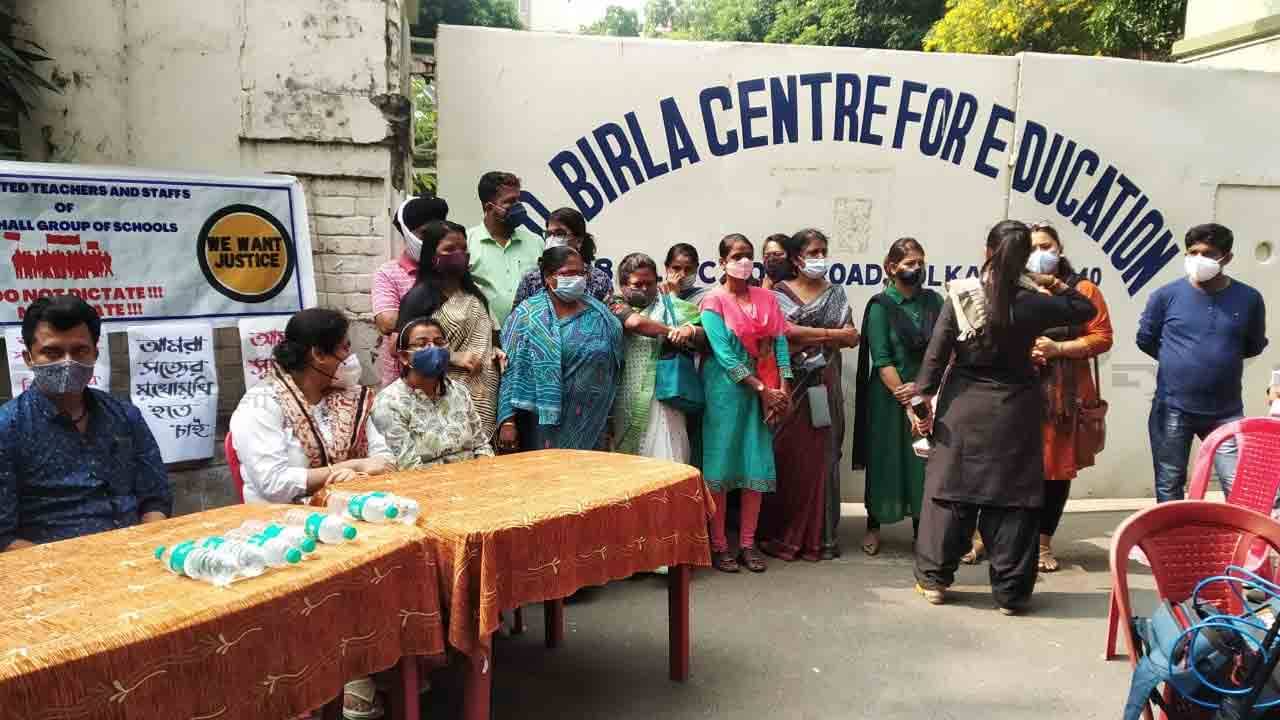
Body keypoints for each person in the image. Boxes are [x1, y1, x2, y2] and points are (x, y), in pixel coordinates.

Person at [911, 220, 1097, 615]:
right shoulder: (1032, 301)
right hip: (1016, 410)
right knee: (1013, 500)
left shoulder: (962, 296)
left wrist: (920, 401)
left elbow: (936, 355)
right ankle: (1011, 594)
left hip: (962, 409)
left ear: (987, 251)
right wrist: (1052, 282)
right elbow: (1086, 308)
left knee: (949, 492)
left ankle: (934, 581)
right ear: (1026, 257)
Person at [0, 296, 171, 551]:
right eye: (53, 352)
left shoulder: (125, 415)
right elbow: (4, 536)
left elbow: (155, 500)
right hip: (51, 571)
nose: (68, 362)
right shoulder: (7, 428)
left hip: (137, 554)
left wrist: (146, 546)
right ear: (29, 358)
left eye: (80, 350)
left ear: (95, 354)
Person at [1138, 223, 1267, 502]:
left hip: (1226, 412)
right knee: (1169, 483)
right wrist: (1180, 360)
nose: (1198, 259)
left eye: (1207, 253)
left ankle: (1235, 544)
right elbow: (1146, 340)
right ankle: (1171, 544)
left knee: (1236, 484)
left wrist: (1214, 359)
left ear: (1227, 258)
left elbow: (1253, 345)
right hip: (1172, 408)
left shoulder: (1249, 299)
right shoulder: (1165, 296)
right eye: (1192, 252)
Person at [759, 229, 860, 562]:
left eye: (824, 250)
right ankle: (784, 536)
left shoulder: (836, 292)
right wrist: (830, 334)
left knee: (823, 459)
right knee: (790, 460)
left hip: (825, 385)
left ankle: (820, 538)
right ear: (796, 258)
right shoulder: (778, 294)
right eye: (813, 251)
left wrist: (810, 336)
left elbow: (852, 337)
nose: (820, 257)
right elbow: (783, 335)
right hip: (791, 385)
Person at [230, 308, 395, 505]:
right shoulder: (260, 404)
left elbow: (384, 459)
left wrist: (356, 478)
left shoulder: (351, 398)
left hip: (353, 508)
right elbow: (273, 484)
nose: (350, 357)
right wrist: (352, 467)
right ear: (319, 354)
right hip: (282, 522)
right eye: (344, 348)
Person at [700, 234, 792, 574]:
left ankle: (749, 544)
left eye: (748, 255)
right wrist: (761, 389)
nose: (744, 261)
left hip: (765, 391)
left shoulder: (767, 298)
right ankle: (720, 545)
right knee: (721, 468)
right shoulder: (714, 302)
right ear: (722, 261)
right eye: (737, 255)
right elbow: (724, 355)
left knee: (756, 465)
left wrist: (783, 387)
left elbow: (780, 341)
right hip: (725, 393)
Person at [1026, 223, 1114, 572]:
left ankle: (1042, 544)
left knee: (1055, 472)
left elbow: (1102, 337)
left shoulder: (1083, 289)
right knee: (1009, 468)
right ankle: (989, 538)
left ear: (1059, 248)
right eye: (1032, 247)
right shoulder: (1015, 287)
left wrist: (1059, 348)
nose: (1039, 253)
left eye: (1046, 245)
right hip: (1019, 391)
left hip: (1065, 397)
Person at [852, 237, 943, 556]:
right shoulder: (881, 306)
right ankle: (874, 525)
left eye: (920, 262)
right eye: (909, 263)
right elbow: (882, 358)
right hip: (889, 399)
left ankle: (922, 529)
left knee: (922, 460)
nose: (916, 269)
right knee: (885, 459)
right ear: (891, 268)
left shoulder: (934, 302)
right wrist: (907, 398)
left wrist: (921, 392)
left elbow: (942, 350)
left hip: (926, 395)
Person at [496, 246, 624, 452]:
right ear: (548, 277)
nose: (576, 278)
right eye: (567, 273)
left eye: (580, 273)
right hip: (544, 426)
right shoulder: (527, 316)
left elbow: (615, 366)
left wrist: (610, 418)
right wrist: (508, 422)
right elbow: (509, 372)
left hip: (593, 422)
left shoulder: (601, 314)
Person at [396, 220, 501, 440]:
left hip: (485, 394)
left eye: (463, 249)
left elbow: (490, 334)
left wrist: (497, 351)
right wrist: (452, 356)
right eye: (449, 249)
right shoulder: (419, 297)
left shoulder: (476, 294)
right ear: (432, 255)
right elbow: (399, 348)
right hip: (443, 395)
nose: (459, 254)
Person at [611, 252, 703, 462]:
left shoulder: (674, 307)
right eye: (637, 284)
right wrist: (672, 330)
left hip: (665, 398)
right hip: (626, 397)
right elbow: (636, 324)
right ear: (623, 285)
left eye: (650, 283)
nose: (644, 289)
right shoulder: (615, 303)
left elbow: (704, 338)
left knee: (667, 457)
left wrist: (689, 331)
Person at [371, 317, 495, 469]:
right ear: (404, 357)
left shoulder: (458, 392)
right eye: (422, 344)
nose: (433, 349)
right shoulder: (389, 403)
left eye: (439, 343)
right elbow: (408, 466)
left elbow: (481, 446)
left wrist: (484, 475)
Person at [372, 195, 449, 386]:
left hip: (448, 384)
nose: (433, 241)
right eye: (425, 234)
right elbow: (387, 322)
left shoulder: (452, 271)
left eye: (438, 235)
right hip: (403, 385)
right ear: (408, 234)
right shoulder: (388, 273)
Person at [467, 171, 543, 330]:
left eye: (518, 200)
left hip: (530, 338)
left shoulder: (535, 242)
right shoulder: (467, 243)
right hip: (484, 339)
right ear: (488, 207)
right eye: (510, 201)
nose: (518, 207)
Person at [512, 207, 613, 308]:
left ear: (578, 241)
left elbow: (609, 317)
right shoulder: (532, 279)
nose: (552, 239)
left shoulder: (599, 280)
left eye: (559, 234)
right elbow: (517, 318)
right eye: (549, 234)